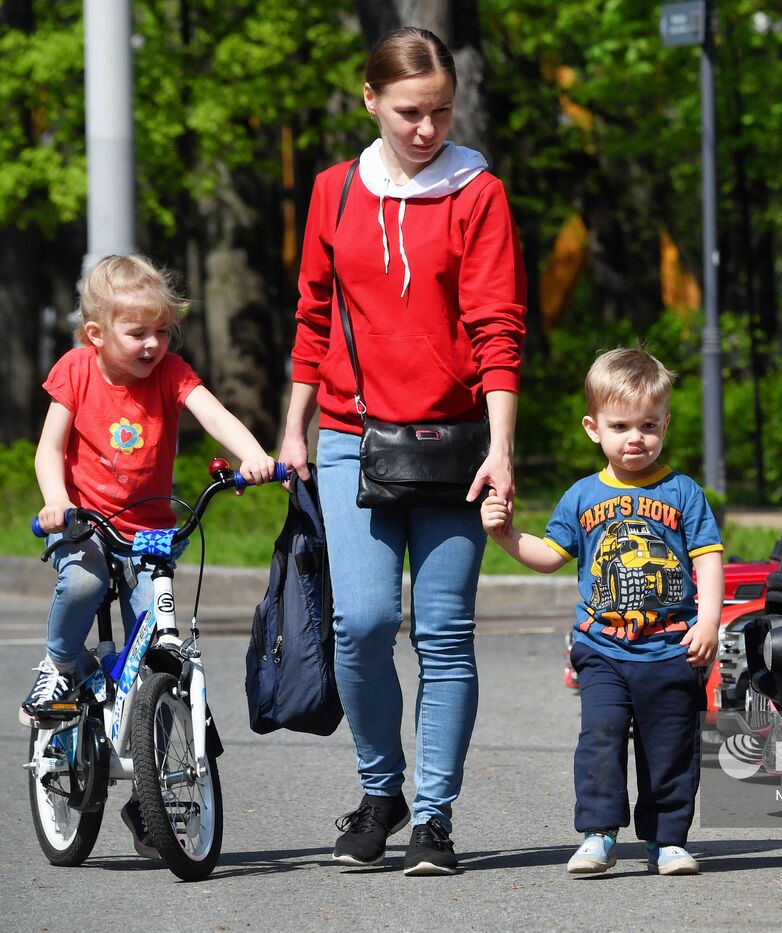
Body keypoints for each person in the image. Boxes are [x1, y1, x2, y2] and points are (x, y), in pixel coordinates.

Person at [278, 26, 525, 877]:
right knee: (363, 622)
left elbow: (499, 330)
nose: (428, 129)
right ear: (371, 100)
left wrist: (501, 447)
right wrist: (292, 427)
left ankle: (433, 818)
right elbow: (313, 318)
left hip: (456, 442)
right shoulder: (333, 193)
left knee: (444, 633)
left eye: (442, 111)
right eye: (411, 112)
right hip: (350, 432)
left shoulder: (477, 192)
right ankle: (380, 787)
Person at [482, 347, 723, 876]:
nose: (635, 437)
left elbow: (708, 560)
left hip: (672, 648)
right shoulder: (581, 496)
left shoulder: (684, 493)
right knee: (601, 740)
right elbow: (548, 556)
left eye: (649, 425)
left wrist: (708, 621)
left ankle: (667, 841)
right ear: (594, 429)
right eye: (621, 425)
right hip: (603, 649)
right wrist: (504, 534)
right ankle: (598, 835)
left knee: (671, 749)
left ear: (665, 425)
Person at [22, 254, 275, 727]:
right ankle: (58, 666)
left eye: (161, 332)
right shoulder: (77, 370)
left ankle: (152, 774)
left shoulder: (172, 372)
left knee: (160, 644)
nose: (153, 344)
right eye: (137, 334)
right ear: (96, 334)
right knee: (83, 581)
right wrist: (57, 500)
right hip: (85, 522)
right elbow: (49, 449)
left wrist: (255, 455)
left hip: (151, 530)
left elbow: (215, 415)